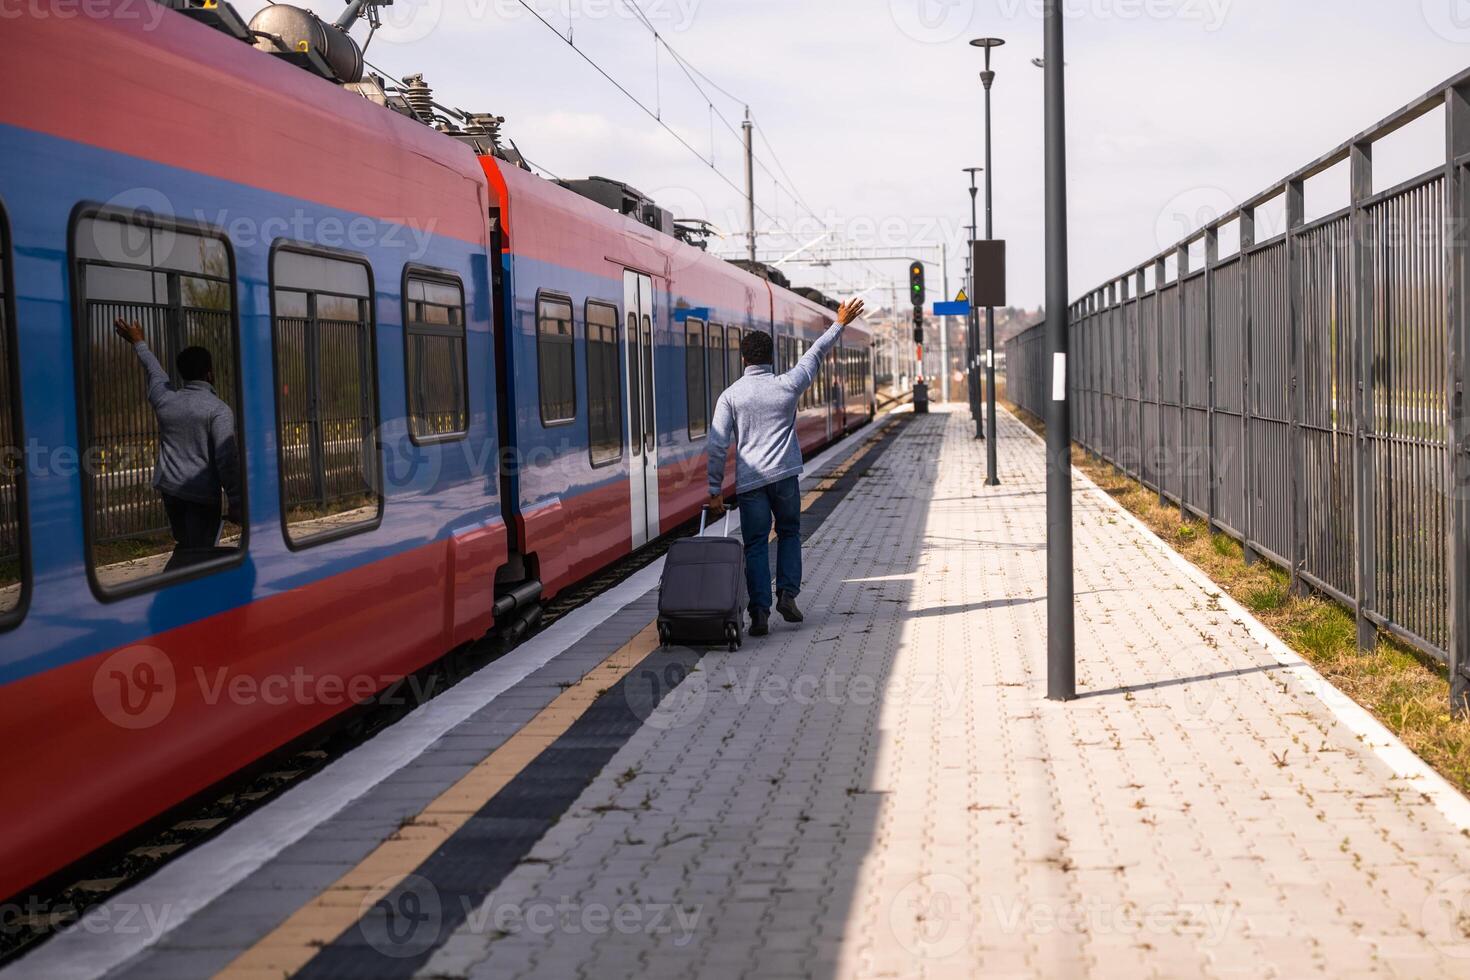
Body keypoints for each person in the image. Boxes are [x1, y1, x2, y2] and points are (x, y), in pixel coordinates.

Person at [707, 298, 867, 636]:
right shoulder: (787, 385)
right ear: (771, 359)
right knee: (790, 532)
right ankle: (787, 594)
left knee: (754, 544)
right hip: (784, 478)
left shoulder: (730, 397)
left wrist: (713, 491)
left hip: (750, 484)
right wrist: (839, 323)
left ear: (744, 359)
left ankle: (760, 612)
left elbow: (718, 445)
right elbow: (816, 353)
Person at [113, 318, 242, 563]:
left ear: (183, 373)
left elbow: (155, 372)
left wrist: (139, 342)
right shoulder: (219, 410)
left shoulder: (166, 400)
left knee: (186, 544)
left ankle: (178, 587)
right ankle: (183, 594)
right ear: (210, 373)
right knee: (199, 554)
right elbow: (226, 459)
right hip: (201, 494)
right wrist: (235, 500)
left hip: (171, 490)